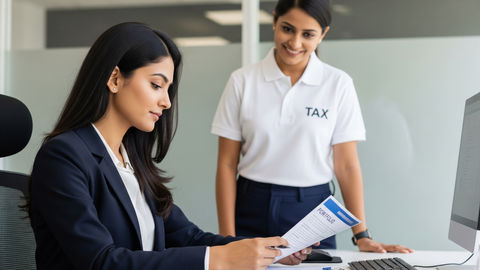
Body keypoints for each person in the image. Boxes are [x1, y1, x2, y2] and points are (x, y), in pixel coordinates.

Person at [27, 22, 312, 270]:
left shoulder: (132, 160)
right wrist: (216, 261)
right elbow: (101, 261)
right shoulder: (64, 157)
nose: (166, 101)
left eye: (168, 89)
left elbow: (190, 237)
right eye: (156, 85)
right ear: (114, 79)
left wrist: (267, 251)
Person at [212, 0, 413, 253]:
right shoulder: (242, 81)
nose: (295, 43)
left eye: (308, 34)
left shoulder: (338, 84)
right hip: (251, 205)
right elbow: (227, 165)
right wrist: (228, 239)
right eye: (287, 29)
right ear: (274, 21)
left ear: (323, 34)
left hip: (312, 211)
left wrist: (361, 235)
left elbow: (346, 165)